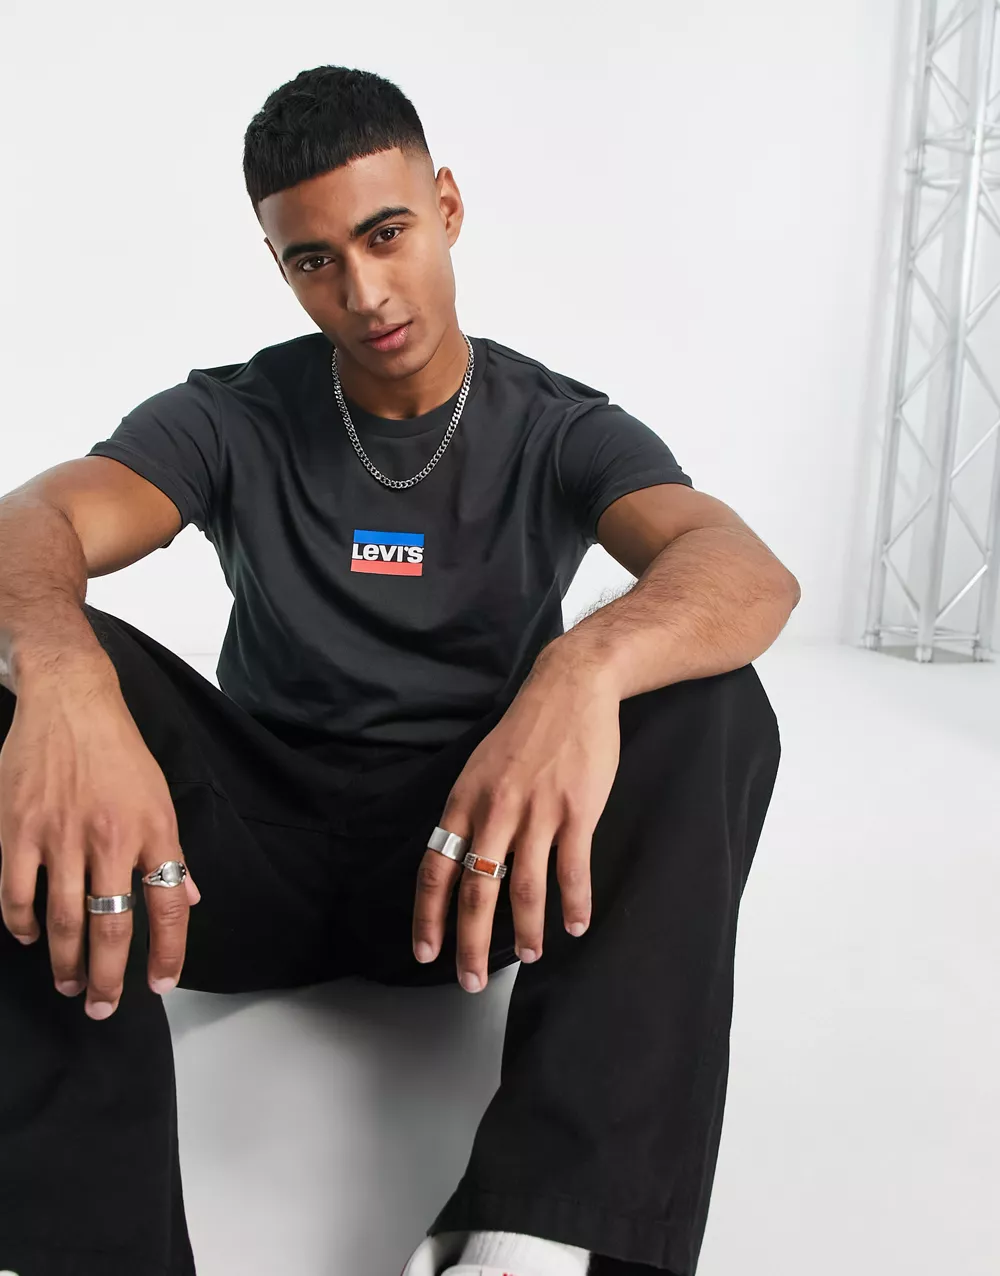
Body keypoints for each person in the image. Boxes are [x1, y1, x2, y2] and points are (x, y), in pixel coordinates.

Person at [0, 64, 798, 1276]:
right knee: (19, 667)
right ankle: (90, 1249)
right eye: (314, 260)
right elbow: (36, 520)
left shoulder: (558, 427)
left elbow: (742, 570)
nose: (364, 292)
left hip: (469, 859)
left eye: (386, 235)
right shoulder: (230, 415)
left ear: (448, 208)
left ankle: (536, 1237)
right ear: (281, 267)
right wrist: (66, 681)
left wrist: (578, 672)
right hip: (230, 870)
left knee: (711, 700)